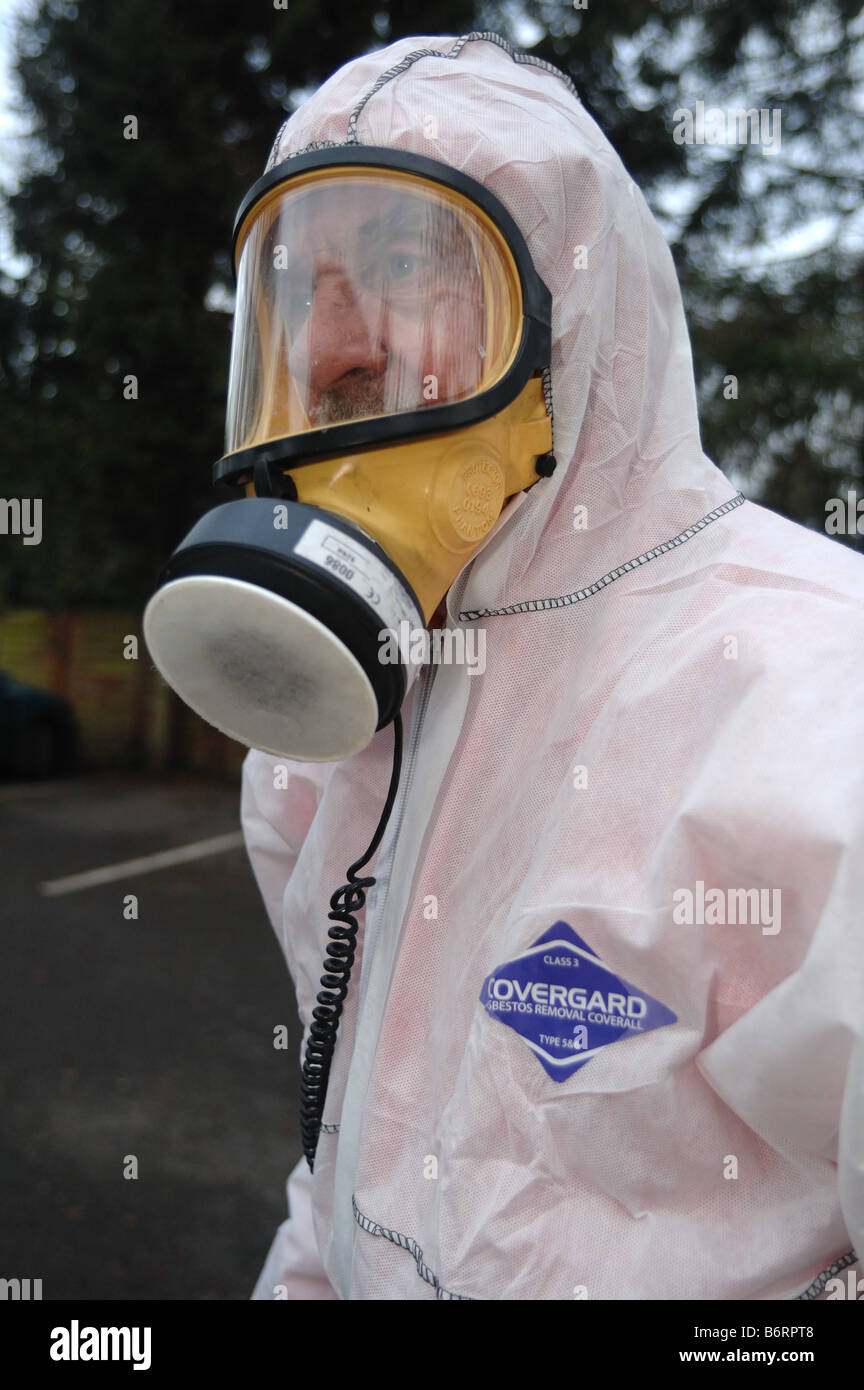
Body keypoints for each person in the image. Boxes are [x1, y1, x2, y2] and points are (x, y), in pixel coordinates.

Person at [238, 32, 864, 1300]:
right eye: (302, 287)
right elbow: (346, 1176)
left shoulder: (813, 699)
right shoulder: (330, 746)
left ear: (570, 312)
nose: (329, 348)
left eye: (404, 262)